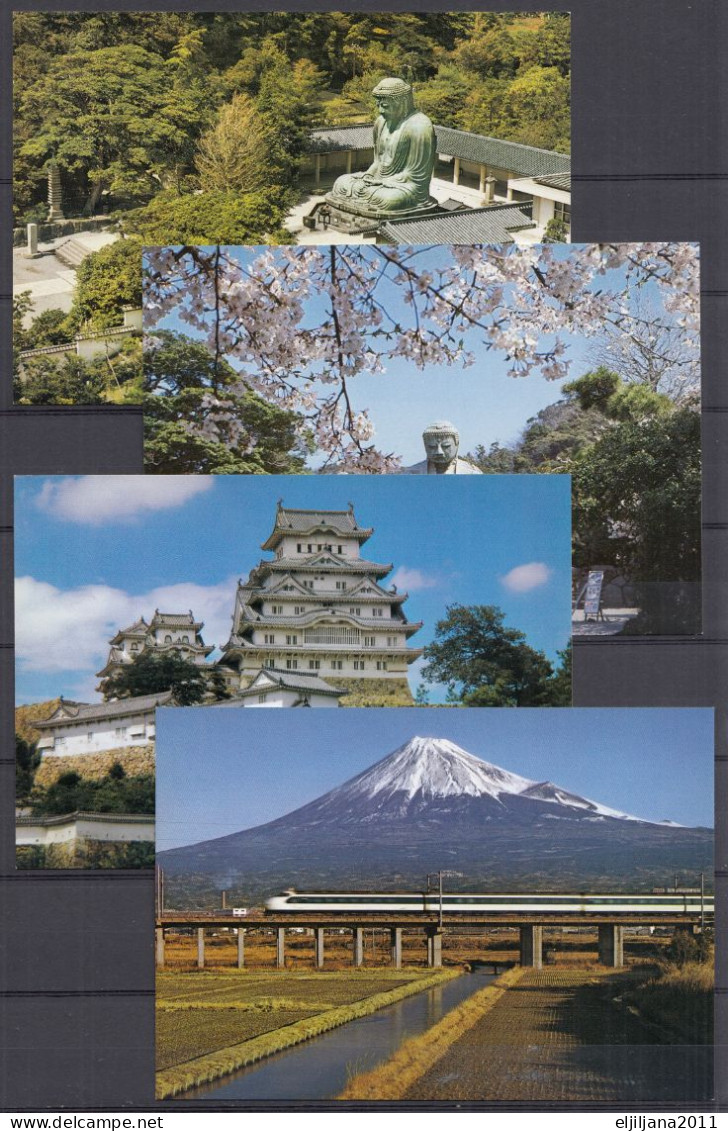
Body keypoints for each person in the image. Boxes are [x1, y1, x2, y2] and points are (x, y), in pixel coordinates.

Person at [329, 78, 436, 215]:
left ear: (402, 103)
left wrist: (383, 182)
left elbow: (416, 176)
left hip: (404, 186)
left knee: (390, 200)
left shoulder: (420, 126)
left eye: (385, 106)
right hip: (379, 182)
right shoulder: (381, 122)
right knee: (341, 182)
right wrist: (368, 176)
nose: (380, 111)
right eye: (378, 105)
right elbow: (378, 162)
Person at [404, 421, 483, 475]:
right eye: (432, 447)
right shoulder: (411, 474)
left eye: (446, 446)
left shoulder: (471, 473)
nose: (439, 452)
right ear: (425, 446)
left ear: (457, 444)